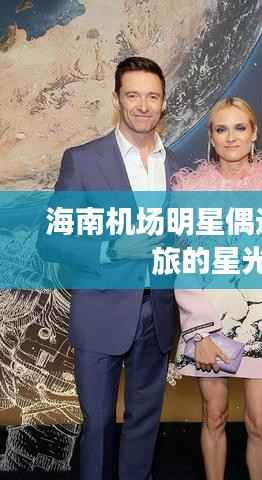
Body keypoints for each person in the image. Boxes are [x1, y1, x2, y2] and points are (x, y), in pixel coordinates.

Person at [38, 56, 179, 480]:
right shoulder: (83, 160)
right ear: (117, 99)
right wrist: (111, 248)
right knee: (98, 427)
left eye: (152, 96)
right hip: (100, 314)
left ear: (164, 103)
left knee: (144, 425)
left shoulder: (178, 166)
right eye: (133, 95)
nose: (143, 105)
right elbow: (51, 240)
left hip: (159, 315)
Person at [173, 97, 262, 480]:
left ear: (254, 133)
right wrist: (199, 333)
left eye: (240, 128)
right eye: (221, 129)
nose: (231, 137)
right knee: (214, 415)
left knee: (260, 420)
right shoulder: (190, 192)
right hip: (210, 323)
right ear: (211, 137)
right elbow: (185, 265)